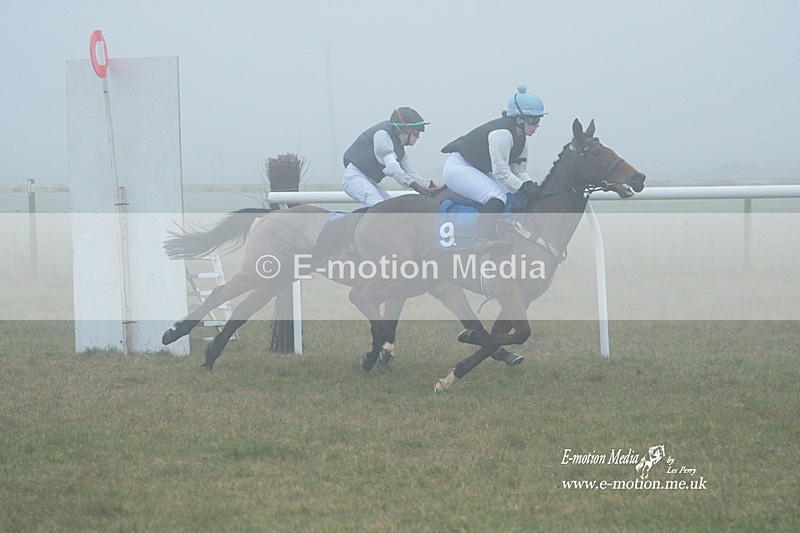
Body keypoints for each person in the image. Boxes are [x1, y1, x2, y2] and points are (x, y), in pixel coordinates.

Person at [441, 85, 544, 242]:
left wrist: (528, 184)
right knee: (497, 197)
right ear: (519, 119)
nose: (537, 125)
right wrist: (522, 187)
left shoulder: (521, 138)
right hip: (459, 167)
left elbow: (519, 170)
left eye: (539, 120)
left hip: (478, 169)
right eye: (533, 120)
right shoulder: (502, 135)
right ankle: (482, 240)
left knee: (512, 195)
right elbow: (501, 172)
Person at [342, 107, 436, 207]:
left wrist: (429, 185)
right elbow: (393, 168)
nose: (418, 137)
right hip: (354, 178)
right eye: (416, 133)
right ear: (404, 129)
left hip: (370, 181)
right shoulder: (382, 135)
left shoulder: (400, 149)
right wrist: (417, 188)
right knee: (382, 210)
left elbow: (409, 174)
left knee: (393, 210)